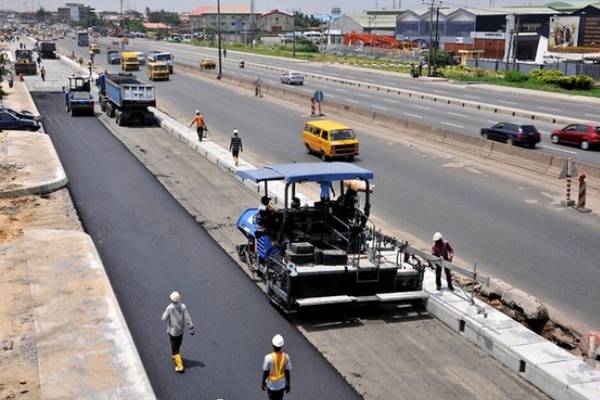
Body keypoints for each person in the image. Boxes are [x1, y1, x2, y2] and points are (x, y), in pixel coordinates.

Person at [161, 291, 195, 373]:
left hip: (172, 332)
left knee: (175, 348)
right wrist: (191, 328)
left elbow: (163, 318)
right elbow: (187, 317)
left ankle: (180, 366)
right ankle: (175, 355)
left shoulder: (169, 308)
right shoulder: (183, 306)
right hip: (181, 330)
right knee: (178, 344)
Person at [261, 334, 291, 400]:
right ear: (282, 346)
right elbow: (287, 372)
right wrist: (288, 384)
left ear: (273, 345)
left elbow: (265, 372)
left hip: (271, 385)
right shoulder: (286, 357)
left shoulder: (268, 357)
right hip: (281, 385)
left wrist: (263, 383)